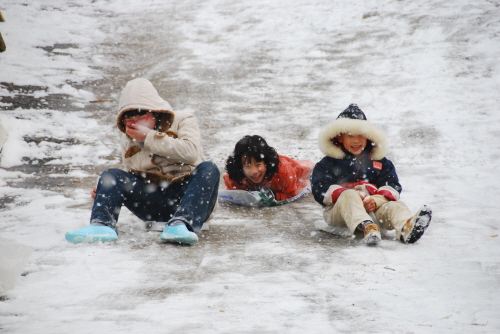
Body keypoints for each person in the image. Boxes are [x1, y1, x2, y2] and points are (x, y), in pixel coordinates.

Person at [65, 78, 219, 245]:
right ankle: (102, 224)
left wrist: (149, 137)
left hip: (189, 200)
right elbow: (130, 174)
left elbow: (190, 152)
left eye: (140, 118)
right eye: (128, 121)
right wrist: (109, 191)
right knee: (111, 175)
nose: (133, 125)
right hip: (155, 203)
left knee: (209, 169)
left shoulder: (183, 119)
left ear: (154, 112)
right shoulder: (128, 138)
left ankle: (182, 224)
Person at [310, 104, 431, 246]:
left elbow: (392, 185)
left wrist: (377, 200)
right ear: (340, 138)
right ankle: (367, 226)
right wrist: (351, 194)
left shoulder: (379, 162)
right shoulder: (328, 163)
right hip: (341, 213)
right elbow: (320, 189)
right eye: (350, 135)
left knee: (396, 206)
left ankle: (405, 227)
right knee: (349, 195)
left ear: (368, 137)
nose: (356, 140)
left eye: (361, 135)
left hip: (373, 209)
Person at [224, 135, 314, 202]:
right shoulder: (234, 177)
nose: (254, 171)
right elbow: (233, 196)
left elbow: (291, 194)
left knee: (309, 170)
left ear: (266, 163)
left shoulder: (283, 172)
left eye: (258, 165)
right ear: (240, 167)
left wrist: (274, 195)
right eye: (247, 166)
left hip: (299, 170)